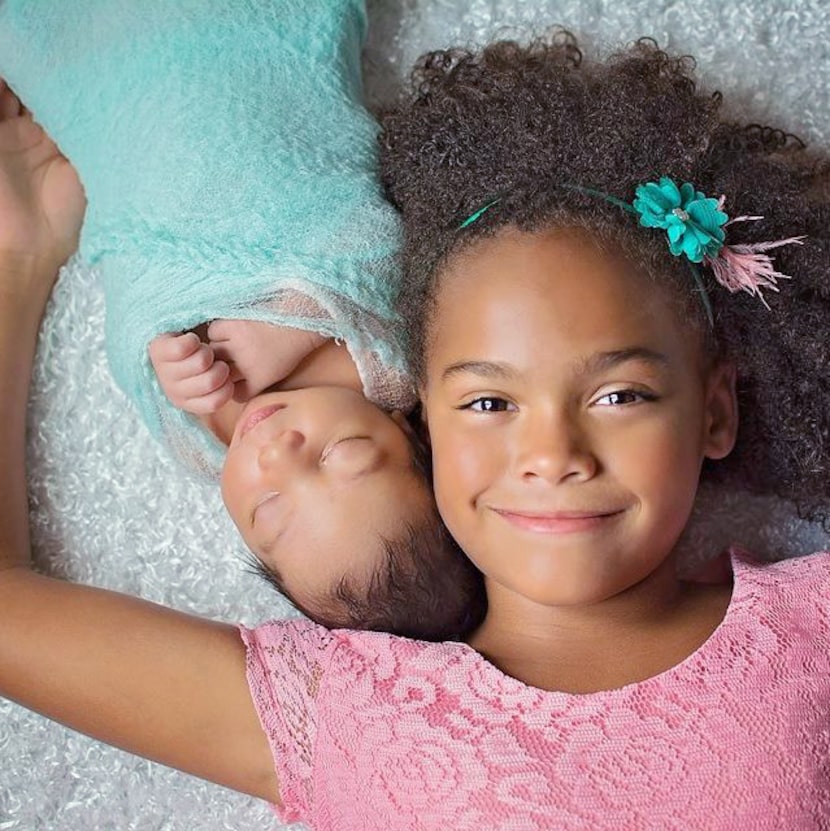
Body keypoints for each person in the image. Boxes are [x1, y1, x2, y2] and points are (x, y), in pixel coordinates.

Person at [2, 33, 829, 831]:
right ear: (421, 421)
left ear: (715, 411)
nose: (550, 457)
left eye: (619, 395)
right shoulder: (339, 709)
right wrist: (16, 257)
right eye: (487, 404)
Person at [0, 0, 485, 639]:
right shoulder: (390, 362)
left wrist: (175, 376)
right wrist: (284, 331)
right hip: (252, 108)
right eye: (342, 453)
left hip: (129, 133)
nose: (278, 454)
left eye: (269, 511)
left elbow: (137, 337)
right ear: (413, 439)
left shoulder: (205, 445)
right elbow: (371, 246)